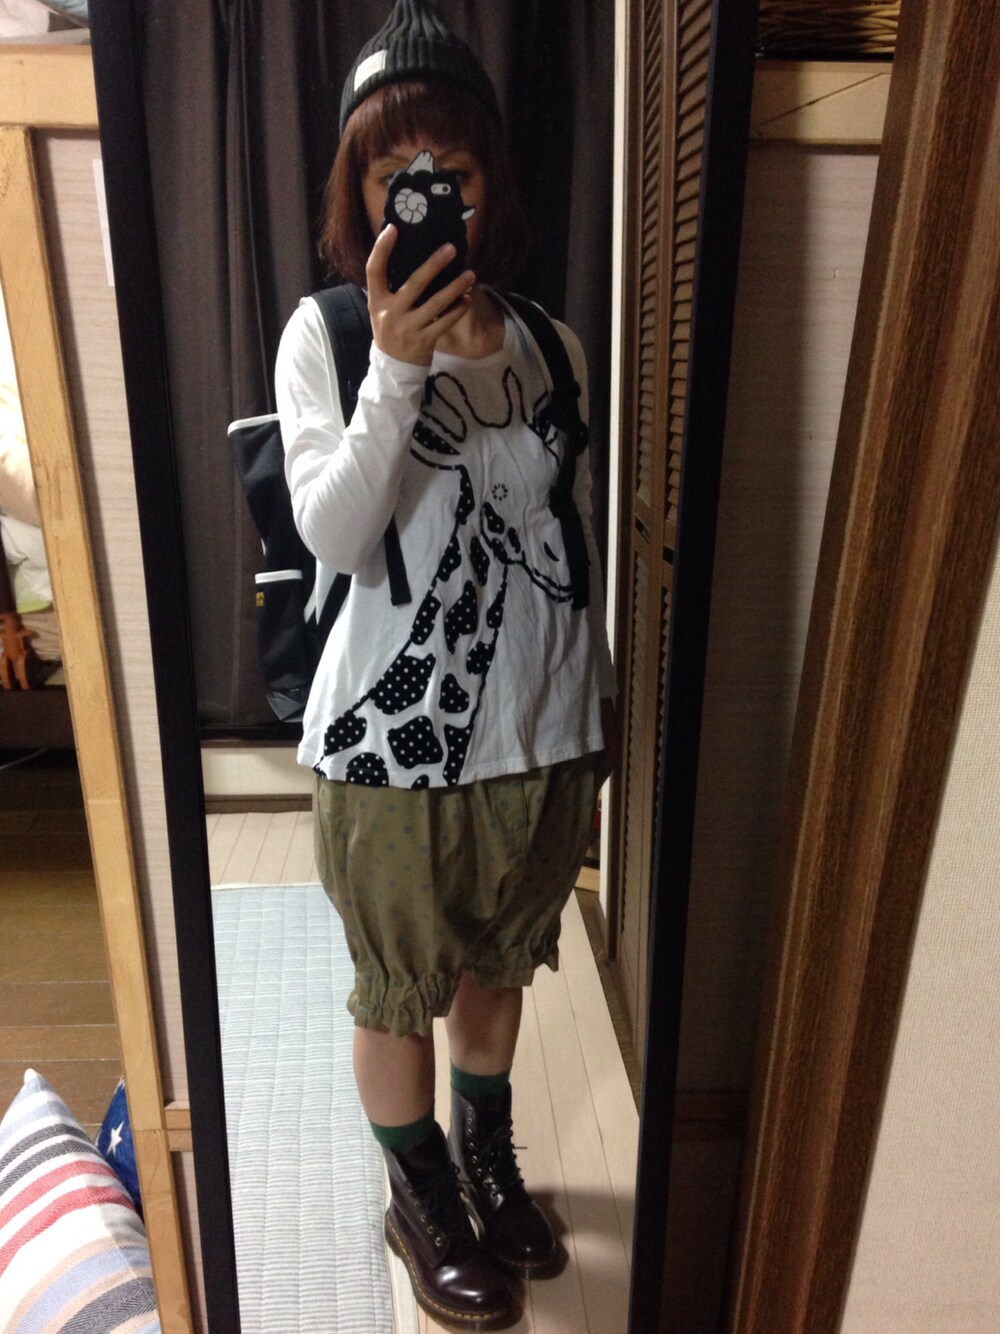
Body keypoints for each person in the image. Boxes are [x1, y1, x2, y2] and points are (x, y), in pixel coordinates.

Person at [274, 2, 617, 1327]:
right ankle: (419, 1193)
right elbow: (336, 532)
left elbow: (556, 535)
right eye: (390, 175)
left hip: (542, 728)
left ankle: (486, 1156)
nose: (420, 196)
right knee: (398, 987)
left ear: (487, 186)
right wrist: (398, 370)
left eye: (450, 172)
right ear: (360, 195)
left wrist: (485, 370)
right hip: (390, 746)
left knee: (497, 969)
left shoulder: (551, 343)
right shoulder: (327, 337)